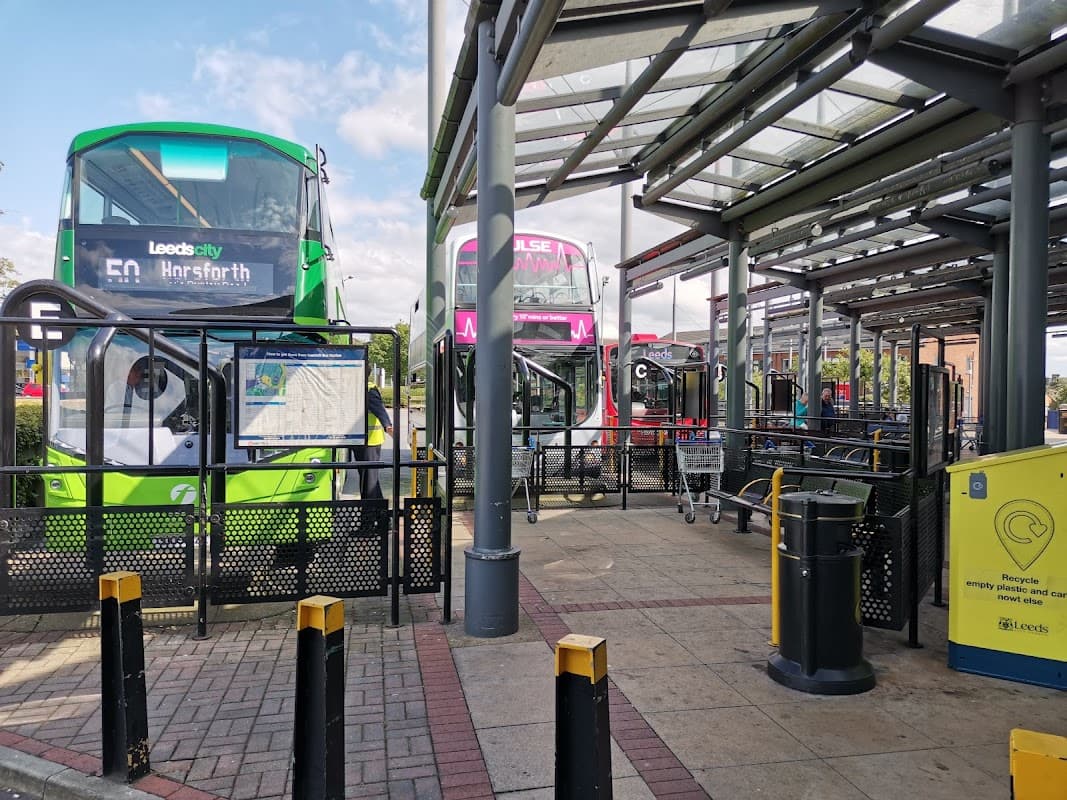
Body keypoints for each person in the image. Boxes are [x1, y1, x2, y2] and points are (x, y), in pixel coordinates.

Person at [358, 381, 394, 499]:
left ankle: (369, 513)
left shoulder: (368, 389)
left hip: (370, 441)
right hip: (360, 441)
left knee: (369, 480)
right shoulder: (355, 386)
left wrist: (388, 426)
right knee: (369, 479)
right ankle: (380, 513)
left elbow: (379, 409)